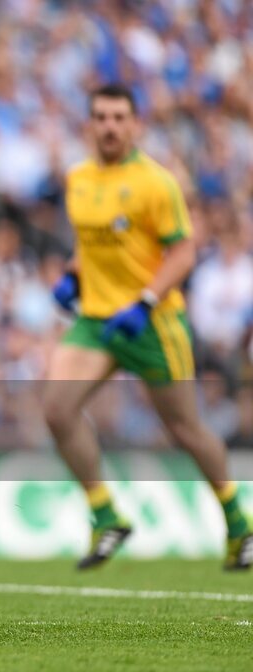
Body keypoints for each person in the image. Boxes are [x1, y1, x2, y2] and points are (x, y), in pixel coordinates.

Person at [44, 83, 253, 571]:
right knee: (56, 409)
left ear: (135, 124)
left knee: (184, 428)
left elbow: (182, 251)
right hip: (97, 320)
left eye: (119, 117)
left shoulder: (156, 183)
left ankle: (238, 522)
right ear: (90, 124)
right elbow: (92, 244)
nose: (110, 126)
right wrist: (74, 275)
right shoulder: (79, 178)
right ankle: (105, 514)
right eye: (101, 117)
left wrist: (144, 301)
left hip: (152, 322)